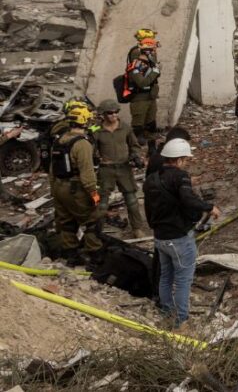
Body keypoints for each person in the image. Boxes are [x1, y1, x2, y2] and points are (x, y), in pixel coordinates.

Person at [144, 139, 220, 328]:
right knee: (183, 280)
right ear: (178, 160)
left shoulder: (152, 178)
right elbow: (188, 199)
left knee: (166, 277)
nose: (186, 163)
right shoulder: (180, 176)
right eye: (185, 159)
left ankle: (167, 312)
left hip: (160, 237)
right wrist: (209, 207)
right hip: (178, 238)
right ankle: (181, 321)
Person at [49, 106, 104, 260]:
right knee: (92, 221)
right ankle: (95, 255)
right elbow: (87, 174)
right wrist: (94, 195)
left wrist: (54, 190)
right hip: (75, 189)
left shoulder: (60, 140)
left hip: (59, 187)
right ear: (85, 121)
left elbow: (52, 170)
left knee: (65, 222)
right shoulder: (83, 145)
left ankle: (70, 255)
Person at [92, 99, 147, 238]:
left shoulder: (125, 127)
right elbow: (90, 149)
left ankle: (137, 228)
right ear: (103, 115)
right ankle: (97, 231)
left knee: (132, 201)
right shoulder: (96, 130)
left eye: (116, 112)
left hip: (124, 168)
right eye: (110, 113)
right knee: (101, 203)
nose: (114, 115)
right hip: (106, 169)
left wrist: (135, 156)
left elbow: (134, 145)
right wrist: (95, 160)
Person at [126, 37, 161, 150]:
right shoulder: (135, 66)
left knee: (150, 122)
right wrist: (155, 71)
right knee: (138, 125)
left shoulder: (149, 62)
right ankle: (135, 147)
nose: (154, 52)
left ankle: (151, 146)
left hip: (150, 97)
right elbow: (142, 82)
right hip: (139, 98)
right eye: (152, 50)